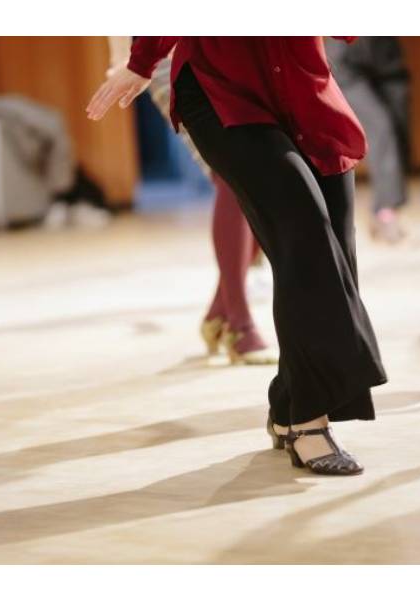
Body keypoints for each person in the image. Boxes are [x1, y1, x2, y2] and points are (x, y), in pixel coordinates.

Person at [88, 37, 387, 475]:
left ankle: (287, 403)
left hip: (304, 88)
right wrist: (142, 59)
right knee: (305, 230)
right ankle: (308, 421)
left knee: (334, 249)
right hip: (222, 88)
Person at [107, 37, 277, 365]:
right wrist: (120, 56)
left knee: (262, 181)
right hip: (166, 55)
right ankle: (239, 324)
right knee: (232, 174)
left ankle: (220, 313)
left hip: (234, 53)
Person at [325, 36, 411, 244]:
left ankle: (382, 210)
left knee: (399, 129)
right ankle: (386, 213)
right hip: (346, 58)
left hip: (386, 53)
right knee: (381, 127)